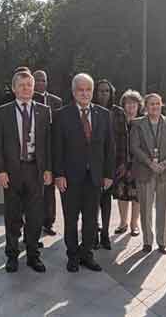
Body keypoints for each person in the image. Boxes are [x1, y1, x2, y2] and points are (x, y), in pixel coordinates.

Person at [53, 73, 115, 272]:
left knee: (90, 219)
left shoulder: (104, 114)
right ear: (73, 92)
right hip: (70, 178)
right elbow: (57, 148)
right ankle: (72, 256)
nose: (85, 93)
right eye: (80, 90)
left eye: (88, 89)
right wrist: (59, 174)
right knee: (71, 219)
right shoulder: (62, 115)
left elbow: (110, 148)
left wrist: (108, 174)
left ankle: (87, 254)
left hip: (95, 177)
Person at [0, 71, 52, 273]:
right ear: (14, 88)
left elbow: (48, 143)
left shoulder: (44, 111)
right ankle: (11, 256)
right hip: (12, 170)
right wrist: (0, 170)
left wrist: (48, 169)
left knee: (35, 216)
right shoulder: (3, 112)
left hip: (35, 170)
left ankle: (33, 255)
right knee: (12, 216)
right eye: (22, 85)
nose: (26, 88)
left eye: (29, 85)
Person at [129, 94, 166, 254]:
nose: (155, 107)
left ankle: (162, 242)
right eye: (152, 104)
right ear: (145, 106)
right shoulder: (137, 124)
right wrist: (150, 163)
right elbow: (134, 147)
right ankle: (147, 241)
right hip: (145, 170)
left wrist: (165, 163)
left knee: (164, 208)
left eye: (158, 103)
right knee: (145, 208)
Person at [94, 79, 127, 249]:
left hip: (111, 163)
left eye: (107, 91)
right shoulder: (90, 110)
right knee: (92, 200)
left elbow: (123, 139)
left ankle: (105, 234)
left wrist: (122, 162)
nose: (103, 94)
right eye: (100, 91)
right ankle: (93, 233)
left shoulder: (118, 112)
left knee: (106, 200)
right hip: (92, 163)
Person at [32, 69, 63, 236]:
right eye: (37, 80)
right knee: (35, 190)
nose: (40, 83)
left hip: (52, 150)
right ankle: (32, 223)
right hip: (34, 151)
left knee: (50, 190)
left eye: (43, 80)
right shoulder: (28, 100)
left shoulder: (56, 101)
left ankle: (49, 222)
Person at [113, 90, 143, 237]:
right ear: (123, 105)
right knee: (121, 194)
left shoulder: (143, 122)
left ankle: (134, 224)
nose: (131, 106)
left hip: (138, 165)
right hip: (120, 163)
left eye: (134, 103)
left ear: (139, 106)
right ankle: (123, 222)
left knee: (136, 196)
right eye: (128, 103)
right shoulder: (118, 121)